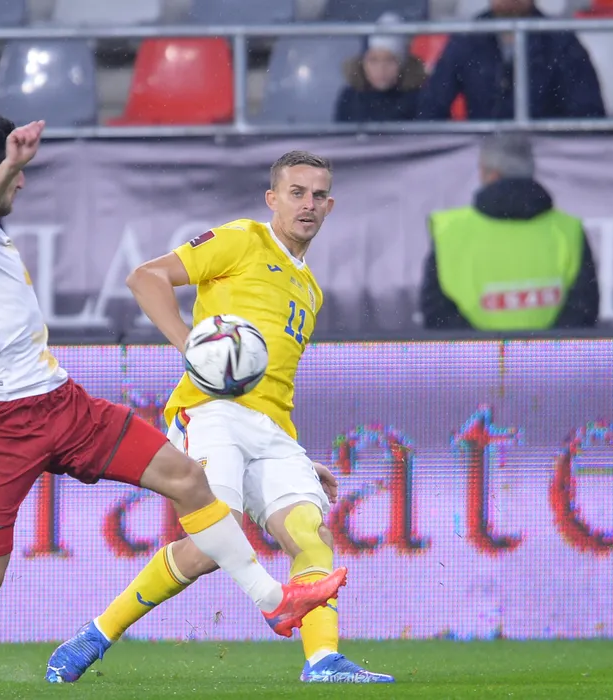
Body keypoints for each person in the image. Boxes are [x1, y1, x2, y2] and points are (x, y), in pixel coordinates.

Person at [0, 113, 348, 698]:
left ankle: (272, 601)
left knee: (189, 479)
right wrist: (12, 161)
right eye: (13, 175)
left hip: (64, 405)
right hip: (0, 429)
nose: (22, 183)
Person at [45, 151, 394, 685]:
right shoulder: (242, 239)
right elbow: (145, 277)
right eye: (296, 192)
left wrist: (296, 456)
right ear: (272, 199)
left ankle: (323, 661)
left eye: (319, 195)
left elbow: (275, 381)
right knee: (212, 544)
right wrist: (192, 348)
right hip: (211, 412)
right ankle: (97, 633)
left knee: (309, 532)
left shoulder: (311, 289)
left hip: (273, 431)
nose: (308, 204)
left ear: (330, 206)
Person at [421, 133, 600, 330]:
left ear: (491, 175)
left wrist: (485, 348)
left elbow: (437, 314)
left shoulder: (449, 232)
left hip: (473, 351)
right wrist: (542, 347)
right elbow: (583, 310)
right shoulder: (568, 230)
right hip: (551, 350)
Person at [416, 0, 605, 121]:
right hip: (483, 156)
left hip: (546, 156)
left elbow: (587, 113)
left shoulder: (561, 40)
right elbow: (432, 106)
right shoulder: (467, 38)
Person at [334, 12, 428, 123]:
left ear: (403, 64)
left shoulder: (419, 98)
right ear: (362, 62)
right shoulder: (350, 98)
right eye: (373, 60)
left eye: (390, 60)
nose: (381, 69)